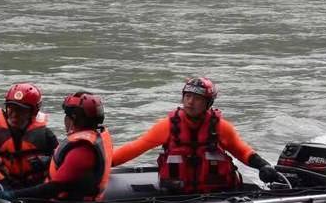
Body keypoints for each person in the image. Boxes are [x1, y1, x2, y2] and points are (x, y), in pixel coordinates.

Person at [111, 77, 281, 194]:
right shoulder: (168, 126)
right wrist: (105, 163)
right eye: (187, 96)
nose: (190, 102)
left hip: (218, 195)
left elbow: (242, 151)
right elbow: (135, 147)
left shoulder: (221, 127)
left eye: (197, 98)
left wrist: (263, 165)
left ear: (208, 103)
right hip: (176, 195)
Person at [0, 92, 112, 202]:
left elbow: (54, 188)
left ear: (73, 118)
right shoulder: (93, 138)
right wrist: (47, 161)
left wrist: (13, 195)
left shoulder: (82, 149)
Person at [0, 83, 58, 189]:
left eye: (20, 110)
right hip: (2, 183)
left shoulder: (46, 135)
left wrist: (47, 161)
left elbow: (61, 159)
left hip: (34, 186)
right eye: (11, 108)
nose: (14, 114)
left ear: (33, 112)